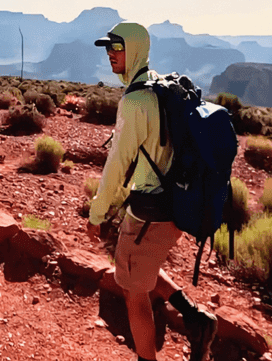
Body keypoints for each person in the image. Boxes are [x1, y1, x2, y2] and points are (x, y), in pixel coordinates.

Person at [88, 22, 218, 361]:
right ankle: (195, 317)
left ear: (134, 50)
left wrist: (97, 214)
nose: (110, 55)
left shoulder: (135, 102)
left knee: (134, 291)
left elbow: (116, 166)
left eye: (116, 48)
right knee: (142, 267)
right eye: (108, 49)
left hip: (147, 213)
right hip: (176, 207)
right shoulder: (160, 87)